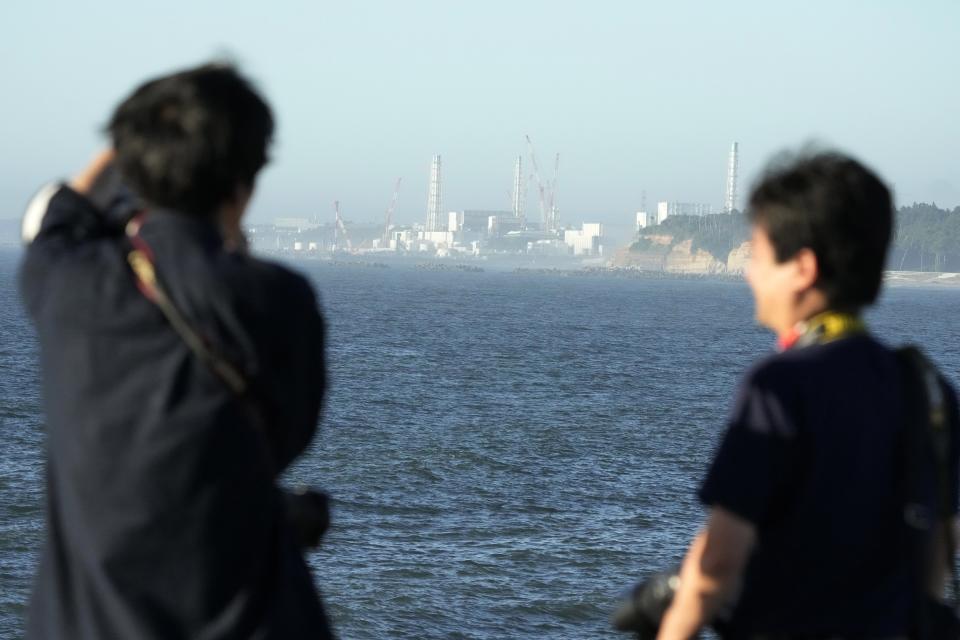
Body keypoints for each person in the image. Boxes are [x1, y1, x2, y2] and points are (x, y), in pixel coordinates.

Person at [19, 63, 334, 639]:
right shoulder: (279, 301)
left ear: (132, 157)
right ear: (243, 184)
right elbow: (284, 442)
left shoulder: (64, 281)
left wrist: (133, 141)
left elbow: (56, 213)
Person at [656, 151, 960, 639]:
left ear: (802, 267)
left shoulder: (778, 387)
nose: (748, 273)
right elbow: (937, 559)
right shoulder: (927, 387)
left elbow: (717, 565)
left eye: (755, 255)